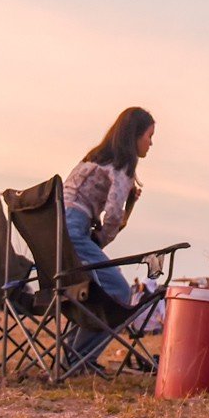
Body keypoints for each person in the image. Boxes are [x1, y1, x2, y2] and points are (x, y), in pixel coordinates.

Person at [62, 106, 156, 311]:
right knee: (120, 291)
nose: (151, 143)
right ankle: (80, 346)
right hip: (75, 230)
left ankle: (72, 345)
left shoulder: (93, 158)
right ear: (135, 136)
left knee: (89, 294)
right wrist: (100, 240)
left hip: (54, 231)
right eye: (149, 136)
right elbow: (113, 215)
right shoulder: (122, 166)